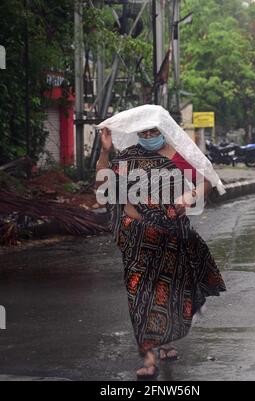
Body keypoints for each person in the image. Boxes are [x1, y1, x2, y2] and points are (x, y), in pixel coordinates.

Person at [96, 117, 226, 380]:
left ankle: (165, 341)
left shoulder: (176, 156)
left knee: (167, 294)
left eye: (153, 130)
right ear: (137, 133)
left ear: (163, 130)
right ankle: (149, 358)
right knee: (140, 297)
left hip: (171, 236)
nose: (148, 134)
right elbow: (102, 185)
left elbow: (207, 181)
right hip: (137, 238)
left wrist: (189, 196)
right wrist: (105, 150)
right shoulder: (127, 157)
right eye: (143, 131)